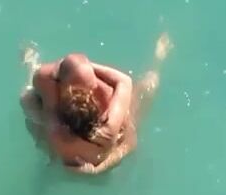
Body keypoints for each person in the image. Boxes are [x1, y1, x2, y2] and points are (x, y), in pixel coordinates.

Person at [19, 33, 172, 174]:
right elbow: (130, 143)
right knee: (27, 98)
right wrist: (97, 168)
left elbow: (130, 142)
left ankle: (158, 58)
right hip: (94, 147)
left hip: (63, 145)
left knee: (27, 99)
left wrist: (81, 68)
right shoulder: (109, 126)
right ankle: (158, 60)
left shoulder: (56, 130)